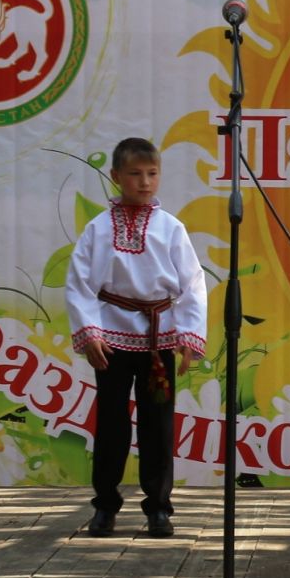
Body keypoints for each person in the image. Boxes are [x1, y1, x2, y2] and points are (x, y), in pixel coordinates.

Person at [67, 137, 209, 539]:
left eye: (152, 174)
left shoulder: (171, 228)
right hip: (110, 339)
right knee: (111, 424)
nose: (145, 182)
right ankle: (105, 505)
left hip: (158, 341)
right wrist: (90, 331)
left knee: (158, 426)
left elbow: (192, 285)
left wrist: (188, 336)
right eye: (134, 174)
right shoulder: (97, 229)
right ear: (116, 177)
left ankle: (159, 509)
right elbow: (79, 283)